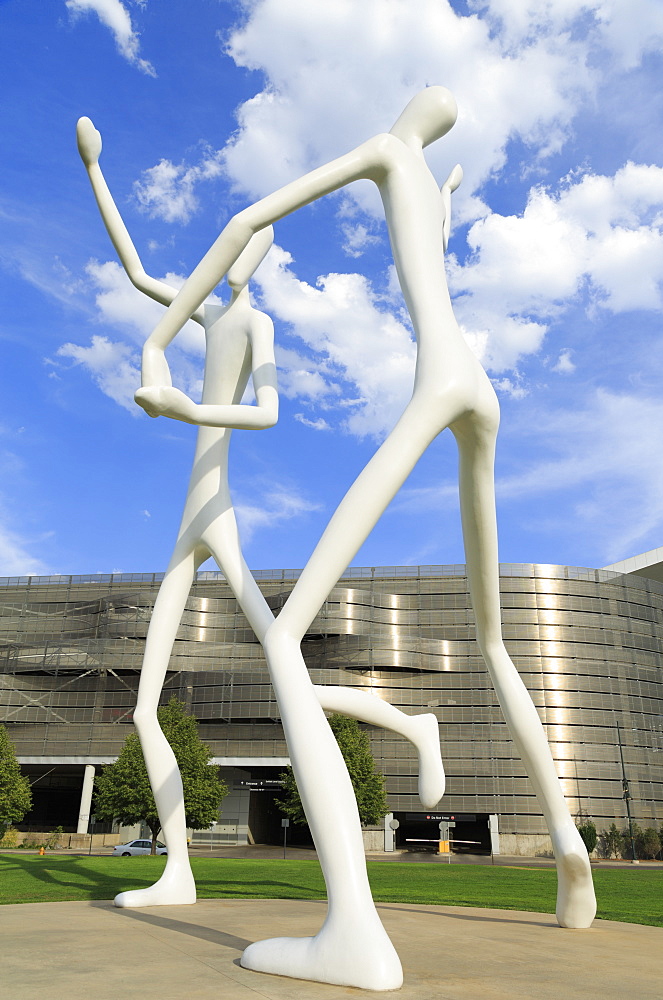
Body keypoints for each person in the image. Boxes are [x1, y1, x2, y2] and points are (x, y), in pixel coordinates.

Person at [130, 86, 596, 989]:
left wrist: (158, 349)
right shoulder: (428, 183)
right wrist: (448, 199)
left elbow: (248, 213)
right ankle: (569, 842)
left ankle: (351, 929)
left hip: (435, 386)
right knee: (496, 638)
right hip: (482, 391)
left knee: (281, 639)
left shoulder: (390, 152)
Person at [76, 118, 444, 917]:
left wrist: (183, 407)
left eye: (254, 246)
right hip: (187, 517)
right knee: (144, 707)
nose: (237, 255)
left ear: (261, 258)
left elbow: (270, 413)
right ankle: (178, 868)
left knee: (286, 675)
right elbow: (137, 270)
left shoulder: (259, 325)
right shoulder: (207, 318)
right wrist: (95, 171)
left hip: (222, 512)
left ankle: (406, 722)